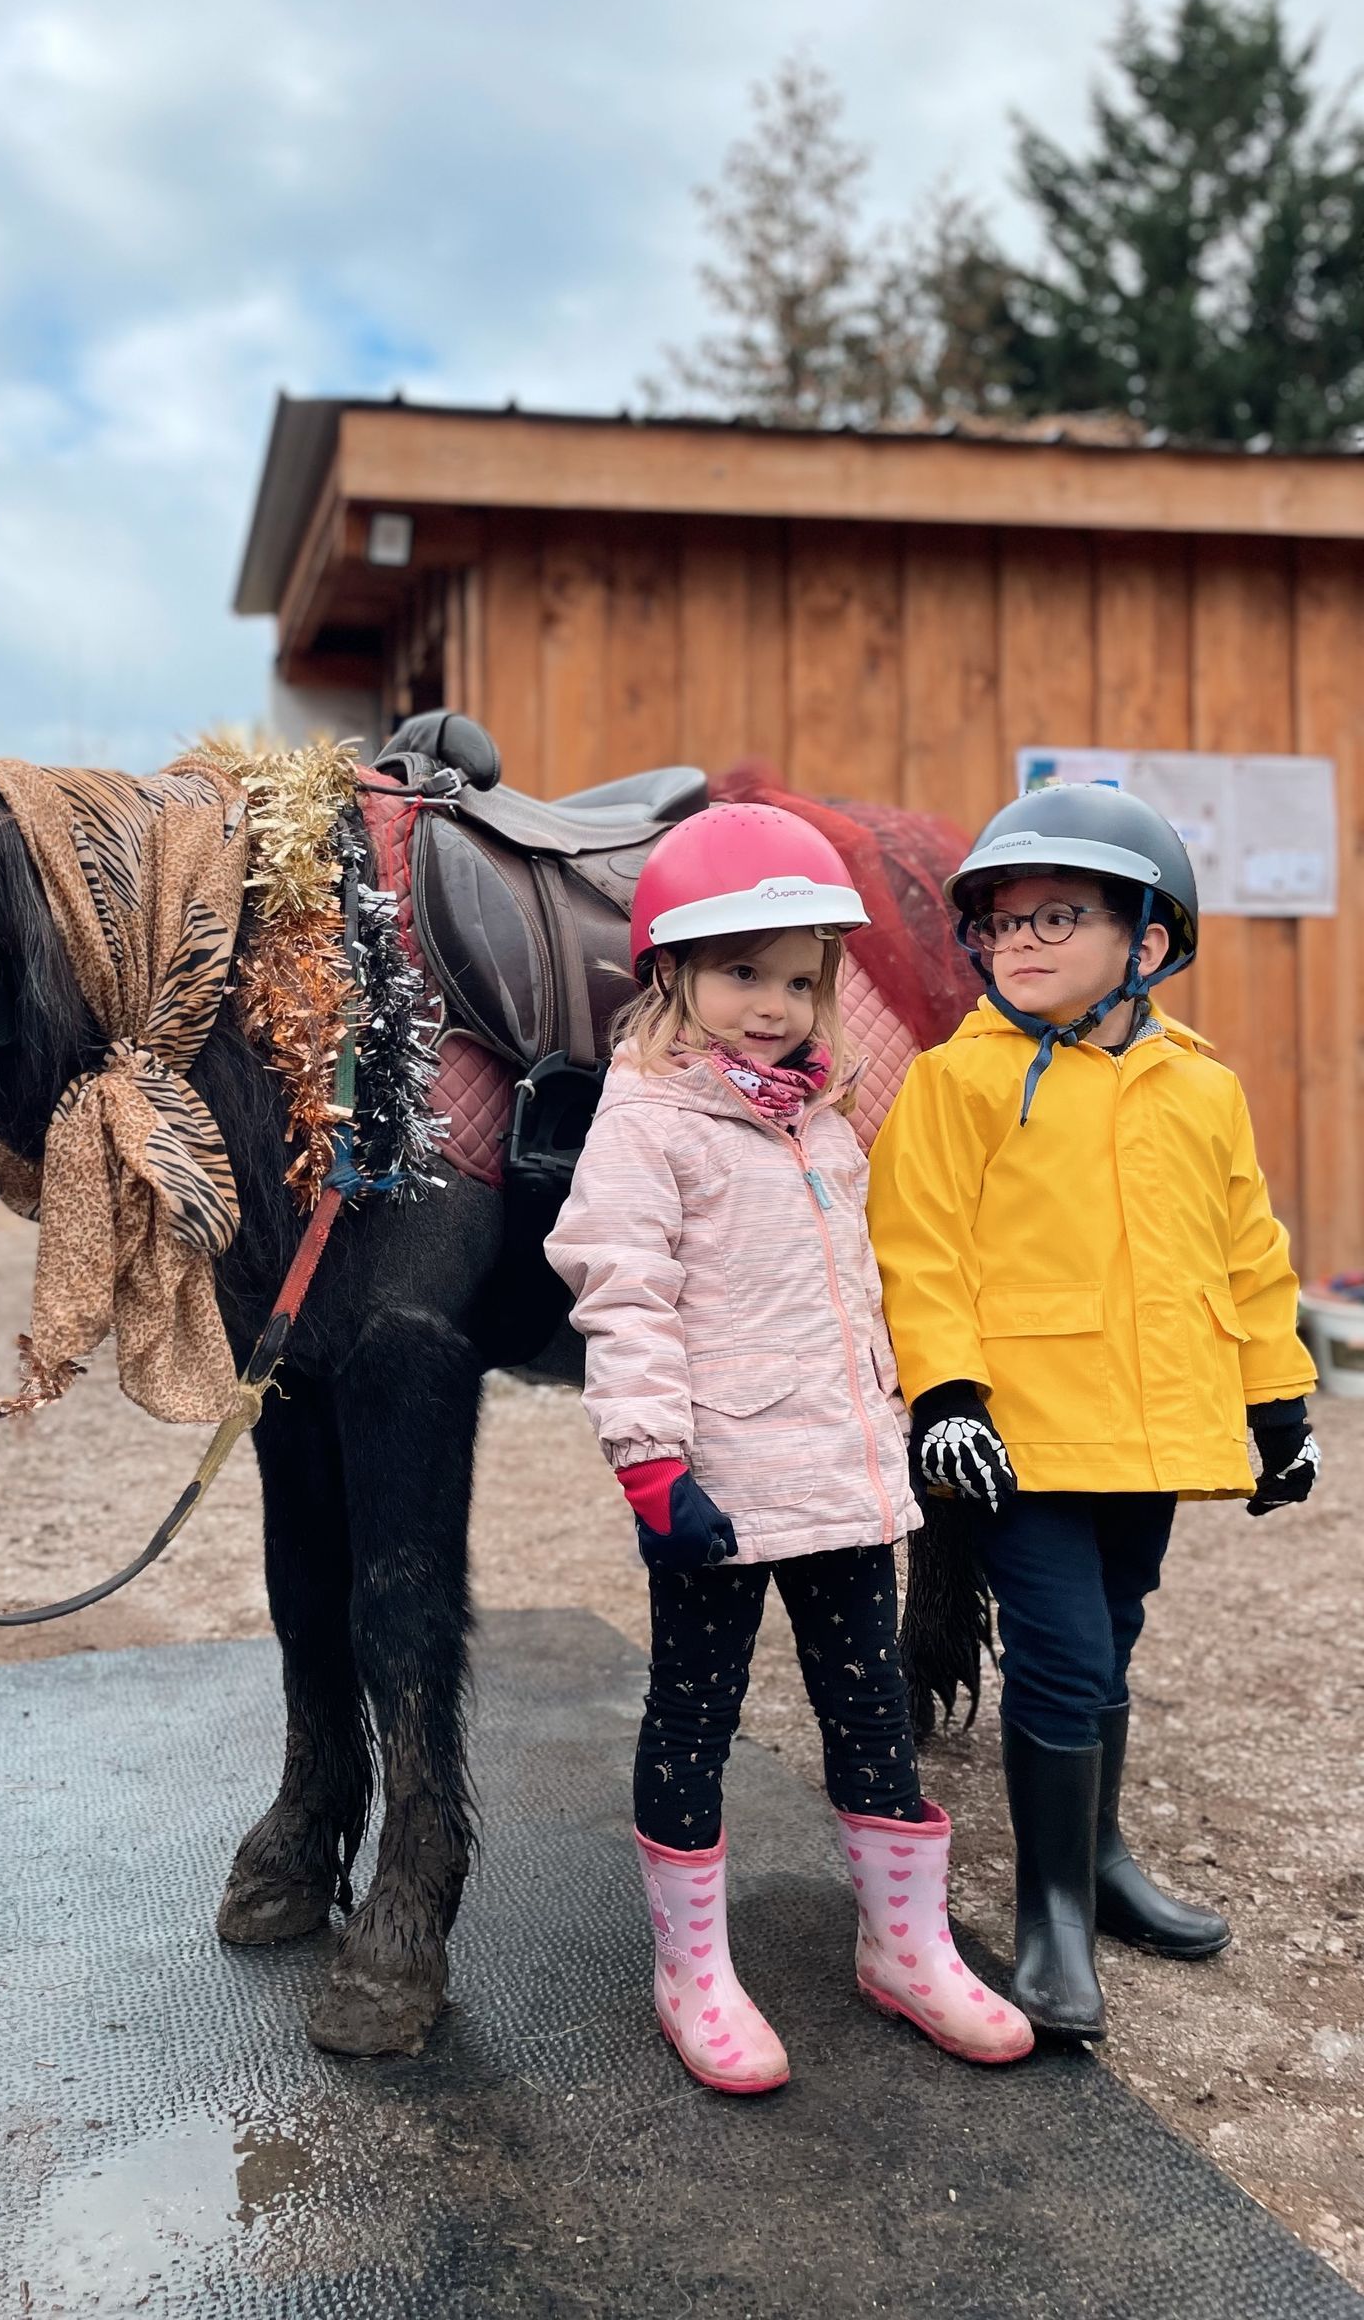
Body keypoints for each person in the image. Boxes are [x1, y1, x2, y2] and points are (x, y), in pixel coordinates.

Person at [545, 803, 1033, 2093]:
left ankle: (905, 1943)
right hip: (711, 1488)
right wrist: (652, 1465)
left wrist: (901, 1427)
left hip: (843, 1481)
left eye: (799, 979)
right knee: (693, 1714)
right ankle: (692, 1968)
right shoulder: (648, 1123)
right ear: (676, 973)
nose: (773, 1005)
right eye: (741, 972)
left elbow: (859, 1293)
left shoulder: (823, 1121)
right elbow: (623, 1292)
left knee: (871, 1712)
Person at [869, 782, 1320, 2045]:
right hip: (1025, 1436)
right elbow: (919, 1249)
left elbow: (1250, 1251)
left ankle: (1104, 1860)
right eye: (1000, 925)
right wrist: (948, 1392)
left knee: (1112, 1640)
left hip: (1158, 1432)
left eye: (1056, 918)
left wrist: (1279, 1402)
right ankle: (1052, 1913)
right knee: (1064, 1657)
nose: (1017, 943)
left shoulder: (1201, 1088)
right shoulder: (958, 1084)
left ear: (1150, 940)